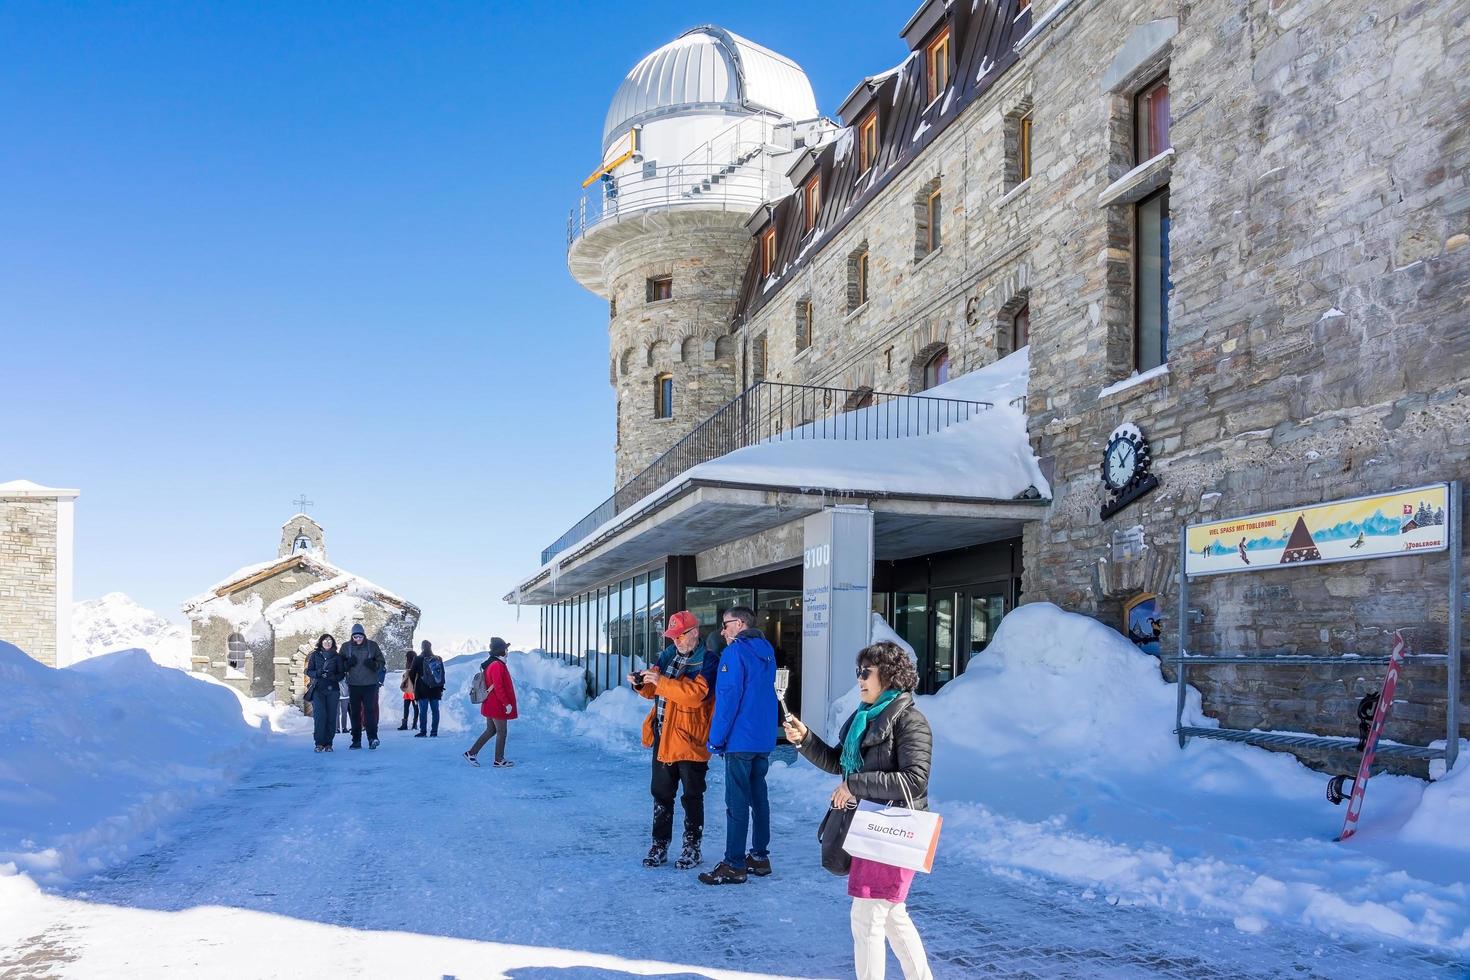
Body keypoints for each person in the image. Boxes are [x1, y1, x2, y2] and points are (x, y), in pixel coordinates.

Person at [783, 641, 934, 980]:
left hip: (892, 832)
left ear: (890, 675)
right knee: (892, 916)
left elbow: (914, 780)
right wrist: (805, 738)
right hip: (870, 831)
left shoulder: (911, 721)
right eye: (858, 673)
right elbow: (841, 763)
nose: (860, 680)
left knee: (867, 917)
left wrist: (855, 786)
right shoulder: (865, 716)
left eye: (866, 672)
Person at [699, 605, 778, 885]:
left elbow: (728, 699)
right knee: (759, 797)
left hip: (740, 739)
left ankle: (734, 862)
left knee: (737, 801)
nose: (723, 630)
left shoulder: (734, 652)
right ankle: (758, 856)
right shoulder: (766, 650)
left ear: (741, 623)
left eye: (726, 624)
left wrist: (716, 739)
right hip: (762, 737)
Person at [630, 610, 714, 870]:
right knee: (661, 795)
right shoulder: (667, 656)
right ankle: (659, 844)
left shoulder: (709, 661)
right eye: (672, 636)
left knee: (692, 796)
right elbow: (653, 691)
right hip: (663, 736)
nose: (675, 641)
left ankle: (692, 847)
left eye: (680, 636)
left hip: (690, 740)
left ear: (694, 632)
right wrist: (641, 683)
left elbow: (695, 695)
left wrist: (661, 682)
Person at [464, 637, 517, 768]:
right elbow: (498, 687)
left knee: (491, 730)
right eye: (506, 649)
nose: (507, 651)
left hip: (491, 703)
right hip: (497, 705)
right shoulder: (497, 665)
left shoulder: (493, 663)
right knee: (502, 732)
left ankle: (471, 753)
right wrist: (506, 704)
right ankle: (499, 760)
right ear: (501, 651)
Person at [342, 623, 386, 750]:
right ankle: (356, 740)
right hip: (354, 685)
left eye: (360, 637)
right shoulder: (346, 647)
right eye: (355, 637)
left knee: (369, 712)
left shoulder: (372, 646)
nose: (358, 639)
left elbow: (381, 662)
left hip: (370, 685)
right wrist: (348, 664)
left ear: (364, 635)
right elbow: (340, 664)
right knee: (355, 713)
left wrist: (374, 665)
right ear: (352, 637)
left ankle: (372, 738)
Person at [304, 633, 345, 752]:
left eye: (330, 640)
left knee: (331, 717)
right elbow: (308, 671)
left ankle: (329, 744)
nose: (327, 642)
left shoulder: (337, 657)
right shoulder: (315, 655)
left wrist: (333, 676)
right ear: (321, 642)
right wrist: (318, 673)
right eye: (325, 640)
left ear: (333, 643)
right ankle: (319, 743)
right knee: (320, 717)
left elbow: (341, 674)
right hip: (318, 690)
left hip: (333, 690)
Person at [413, 639, 445, 737]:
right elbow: (442, 674)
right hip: (435, 689)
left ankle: (423, 731)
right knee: (435, 711)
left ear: (422, 647)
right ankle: (434, 731)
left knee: (423, 711)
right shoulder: (438, 658)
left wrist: (414, 688)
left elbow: (412, 673)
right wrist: (441, 687)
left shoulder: (418, 659)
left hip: (422, 689)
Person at [398, 662, 418, 731]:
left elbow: (403, 680)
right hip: (413, 692)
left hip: (408, 692)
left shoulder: (407, 672)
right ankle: (414, 725)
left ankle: (405, 724)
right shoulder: (417, 671)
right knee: (415, 708)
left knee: (406, 708)